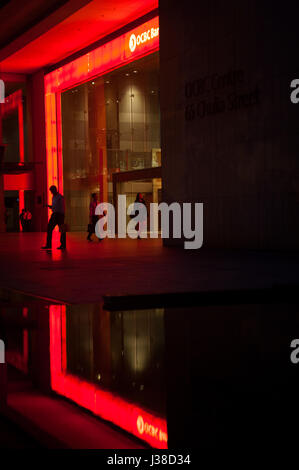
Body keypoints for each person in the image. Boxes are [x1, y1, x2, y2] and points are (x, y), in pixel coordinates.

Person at [42, 186, 66, 250]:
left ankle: (63, 245)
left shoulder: (60, 197)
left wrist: (62, 215)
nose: (51, 192)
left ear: (55, 190)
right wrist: (49, 206)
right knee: (49, 229)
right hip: (55, 214)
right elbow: (54, 207)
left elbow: (62, 207)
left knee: (62, 230)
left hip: (59, 215)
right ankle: (49, 245)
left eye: (52, 191)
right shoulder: (54, 197)